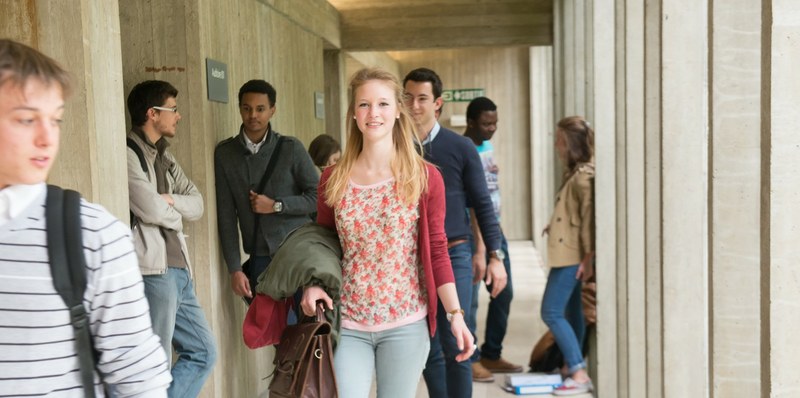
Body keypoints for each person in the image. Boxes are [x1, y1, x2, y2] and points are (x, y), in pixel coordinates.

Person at [0, 39, 171, 396]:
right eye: (27, 119)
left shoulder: (90, 234)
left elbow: (139, 377)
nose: (48, 138)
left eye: (56, 120)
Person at [300, 67, 474, 398]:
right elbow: (322, 242)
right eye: (364, 105)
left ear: (397, 110)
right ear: (353, 113)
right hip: (349, 322)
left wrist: (455, 314)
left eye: (382, 104)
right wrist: (312, 283)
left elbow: (438, 249)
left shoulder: (424, 178)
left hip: (406, 323)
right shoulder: (333, 178)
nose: (373, 113)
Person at [403, 67, 506, 398]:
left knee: (457, 335)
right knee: (429, 343)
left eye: (422, 98)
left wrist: (494, 255)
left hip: (454, 250)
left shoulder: (459, 147)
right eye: (408, 97)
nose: (414, 105)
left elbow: (482, 204)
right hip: (409, 257)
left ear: (437, 103)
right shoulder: (394, 148)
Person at [126, 80, 217, 397]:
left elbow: (198, 203)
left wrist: (170, 201)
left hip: (181, 270)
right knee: (156, 364)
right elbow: (150, 208)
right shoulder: (129, 154)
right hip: (154, 272)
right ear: (153, 113)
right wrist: (172, 208)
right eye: (173, 110)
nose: (178, 117)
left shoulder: (166, 156)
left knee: (204, 351)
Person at [215, 80, 319, 302]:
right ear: (240, 108)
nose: (253, 114)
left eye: (260, 109)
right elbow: (226, 217)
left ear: (272, 110)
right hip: (260, 256)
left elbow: (318, 197)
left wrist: (277, 206)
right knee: (268, 330)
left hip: (297, 251)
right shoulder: (225, 154)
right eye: (246, 108)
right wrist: (235, 268)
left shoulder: (291, 148)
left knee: (303, 327)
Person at [463, 97, 523, 381]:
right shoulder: (464, 150)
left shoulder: (486, 146)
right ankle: (472, 358)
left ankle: (492, 353)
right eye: (487, 124)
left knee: (504, 291)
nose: (492, 128)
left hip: (495, 231)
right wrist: (482, 247)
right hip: (475, 235)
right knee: (472, 301)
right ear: (471, 122)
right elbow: (474, 202)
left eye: (495, 123)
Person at [541, 116, 595, 396]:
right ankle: (571, 365)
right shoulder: (577, 173)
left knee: (550, 311)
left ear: (571, 143)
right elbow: (574, 215)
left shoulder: (584, 175)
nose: (556, 145)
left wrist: (587, 259)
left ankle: (578, 370)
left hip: (572, 256)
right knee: (572, 313)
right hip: (569, 252)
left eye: (560, 140)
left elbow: (588, 221)